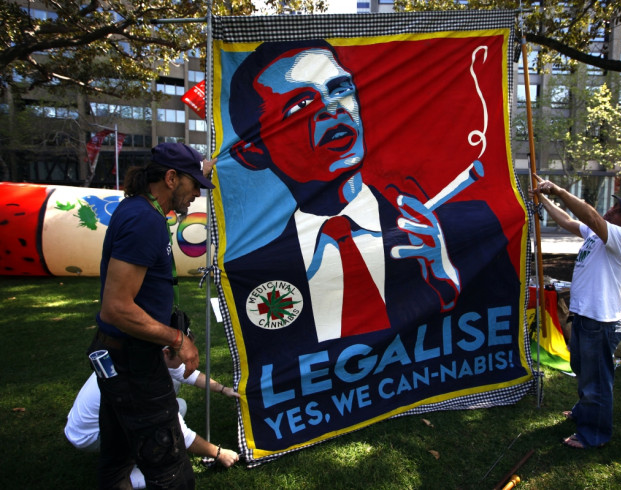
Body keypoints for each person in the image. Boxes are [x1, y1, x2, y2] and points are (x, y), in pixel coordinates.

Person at [226, 40, 520, 342]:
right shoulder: (252, 269)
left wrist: (446, 282)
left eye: (340, 89)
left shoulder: (468, 228)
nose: (332, 108)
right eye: (300, 105)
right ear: (251, 152)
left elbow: (498, 326)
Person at [86, 142, 215, 488]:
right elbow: (116, 307)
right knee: (170, 469)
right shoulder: (145, 220)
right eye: (193, 187)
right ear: (172, 179)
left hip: (121, 357)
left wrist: (210, 163)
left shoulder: (141, 211)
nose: (195, 197)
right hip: (133, 365)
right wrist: (177, 339)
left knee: (117, 461)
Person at [530, 174, 621, 449]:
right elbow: (568, 221)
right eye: (615, 205)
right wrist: (543, 198)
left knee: (597, 380)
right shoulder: (600, 234)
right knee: (582, 370)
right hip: (585, 316)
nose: (612, 210)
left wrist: (559, 190)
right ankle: (583, 412)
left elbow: (592, 217)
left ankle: (594, 435)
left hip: (600, 321)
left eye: (619, 211)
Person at [65, 346, 240, 488]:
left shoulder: (145, 356)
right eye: (186, 354)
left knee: (180, 405)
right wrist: (220, 453)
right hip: (89, 435)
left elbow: (190, 375)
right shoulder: (146, 382)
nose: (191, 361)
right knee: (171, 469)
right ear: (166, 353)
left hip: (89, 424)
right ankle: (131, 474)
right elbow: (183, 435)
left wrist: (223, 389)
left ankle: (133, 452)